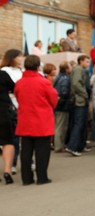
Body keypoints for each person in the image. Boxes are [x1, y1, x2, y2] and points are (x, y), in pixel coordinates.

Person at [15, 55, 58, 185]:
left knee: (26, 151)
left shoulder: (19, 83)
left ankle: (26, 178)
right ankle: (42, 177)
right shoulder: (44, 82)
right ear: (38, 66)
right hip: (42, 120)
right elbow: (53, 99)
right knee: (42, 151)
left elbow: (18, 97)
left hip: (25, 120)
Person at [0, 49, 23, 175]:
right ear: (12, 57)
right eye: (19, 56)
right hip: (9, 107)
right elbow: (15, 88)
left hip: (17, 106)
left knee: (17, 137)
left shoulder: (19, 71)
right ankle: (10, 166)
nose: (21, 58)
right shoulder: (4, 72)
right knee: (11, 138)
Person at [66, 55, 91, 156]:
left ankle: (79, 146)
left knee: (81, 124)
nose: (88, 64)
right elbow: (76, 84)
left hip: (80, 101)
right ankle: (72, 147)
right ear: (81, 61)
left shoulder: (79, 70)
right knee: (78, 124)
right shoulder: (78, 69)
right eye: (87, 61)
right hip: (79, 101)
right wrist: (85, 94)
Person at [0, 70, 16, 184]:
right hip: (3, 111)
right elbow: (14, 88)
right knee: (7, 142)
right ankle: (7, 171)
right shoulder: (2, 74)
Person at [53, 61, 72, 153]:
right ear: (67, 69)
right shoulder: (65, 78)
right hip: (62, 106)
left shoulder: (57, 77)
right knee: (61, 126)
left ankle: (57, 145)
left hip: (57, 105)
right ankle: (59, 146)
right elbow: (64, 92)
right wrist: (64, 101)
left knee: (57, 125)